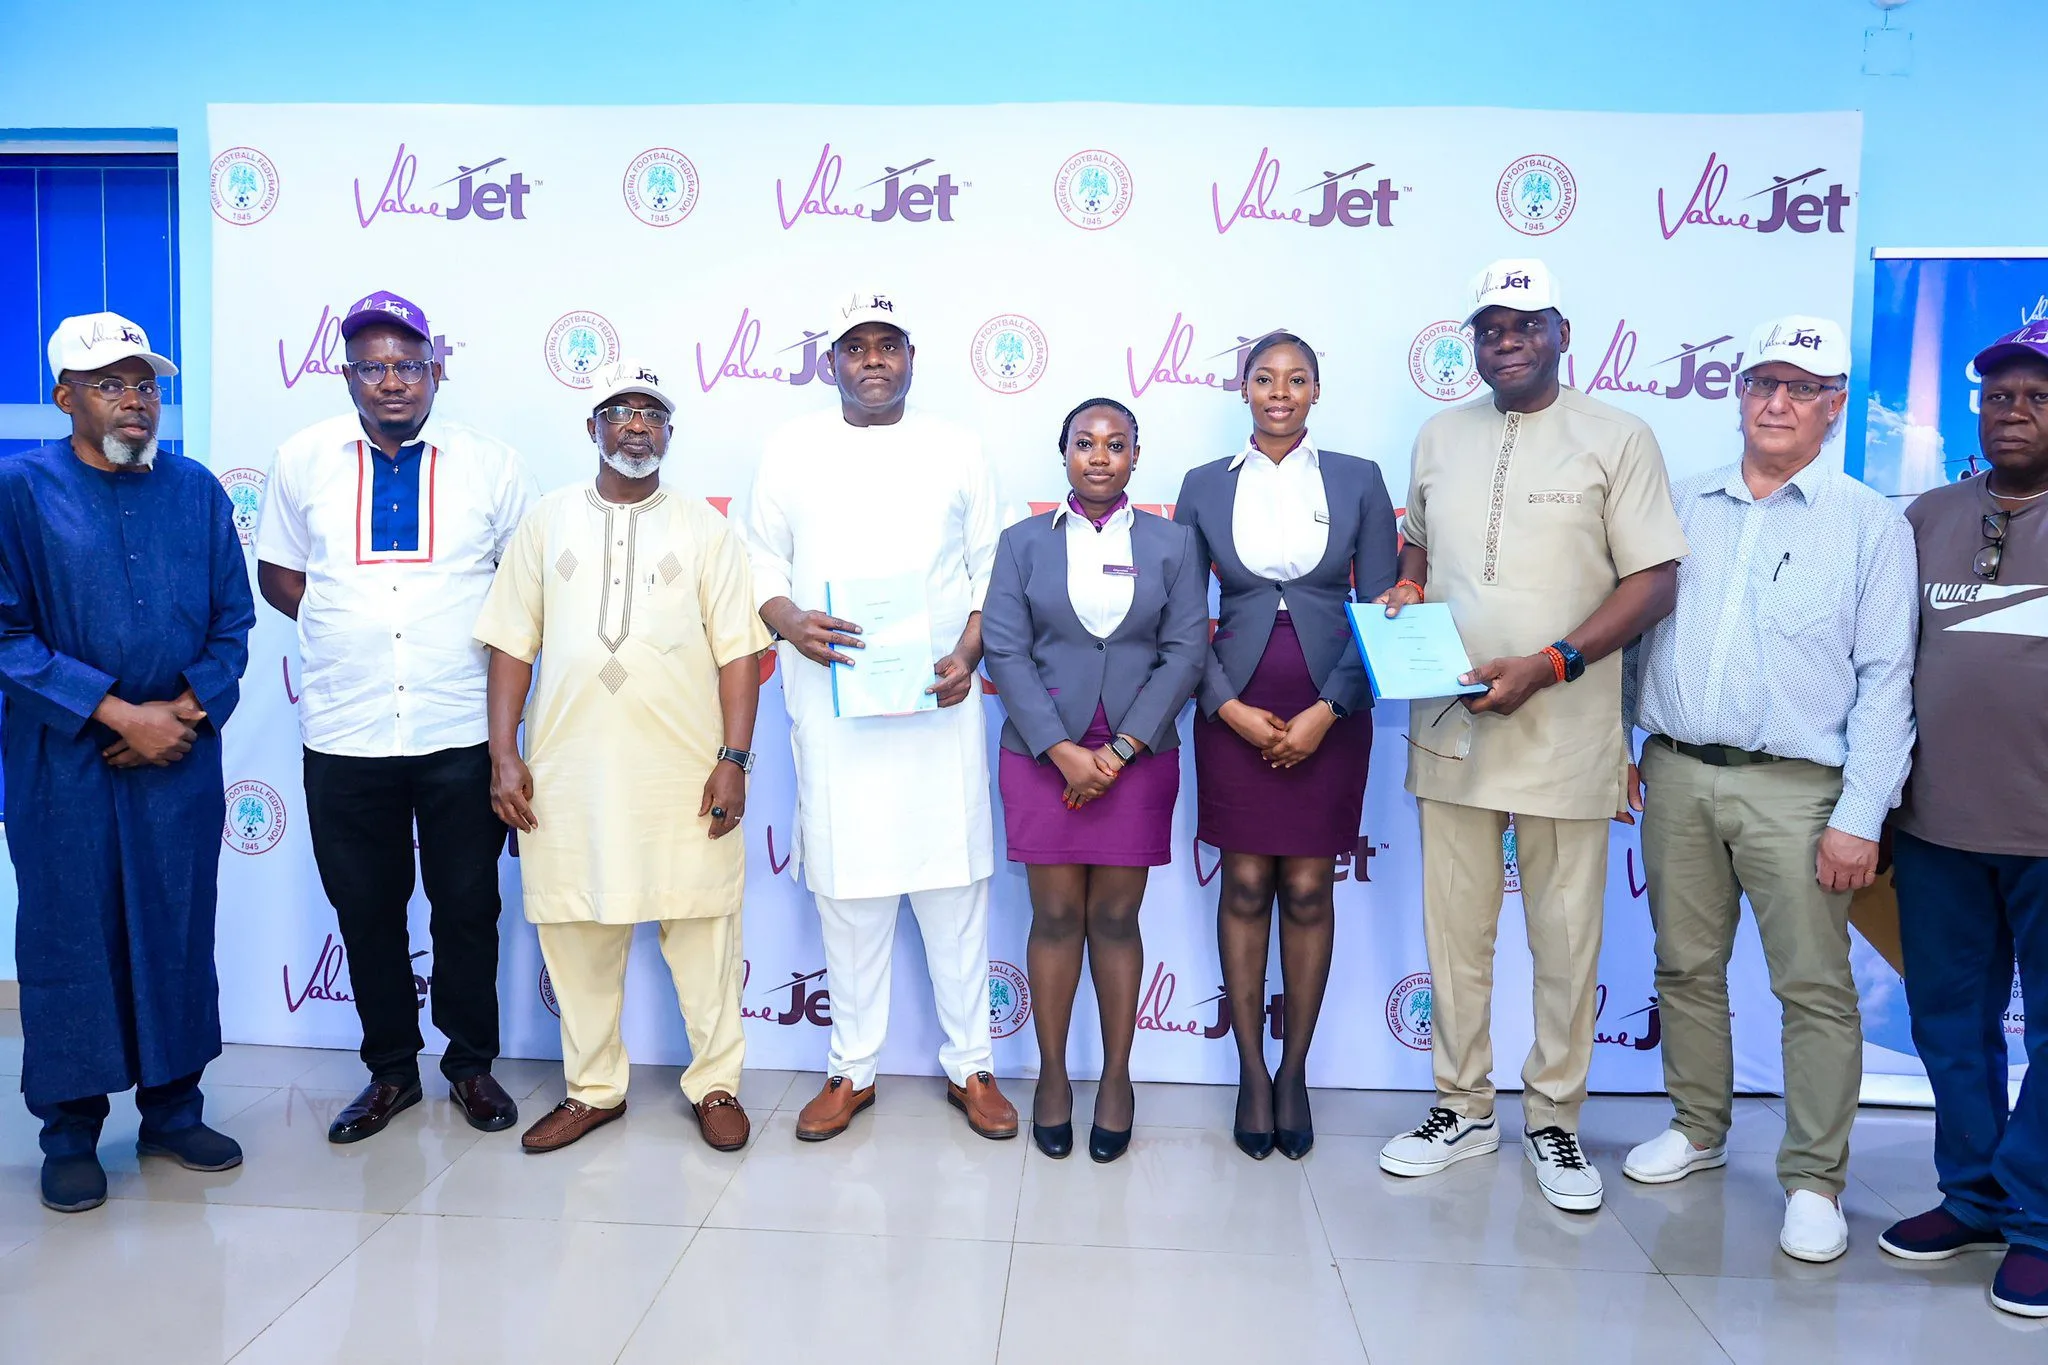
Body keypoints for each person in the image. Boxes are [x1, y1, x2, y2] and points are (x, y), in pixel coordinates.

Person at [1375, 260, 1687, 1211]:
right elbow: (1420, 540)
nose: (1505, 342)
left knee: (1566, 938)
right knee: (1455, 935)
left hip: (1566, 726)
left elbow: (1654, 581)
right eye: (1489, 328)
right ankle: (1462, 1108)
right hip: (1452, 725)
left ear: (1561, 332)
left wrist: (1551, 663)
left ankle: (1554, 1120)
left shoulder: (1619, 436)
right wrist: (1409, 583)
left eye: (1524, 325)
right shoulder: (1439, 433)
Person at [1621, 317, 1917, 1262]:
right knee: (1684, 966)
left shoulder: (1870, 524)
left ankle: (1815, 1180)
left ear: (1836, 405)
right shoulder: (1682, 502)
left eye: (1802, 387)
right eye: (1762, 383)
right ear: (1739, 393)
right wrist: (1624, 741)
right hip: (1675, 769)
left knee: (1813, 988)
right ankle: (1698, 1126)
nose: (1778, 403)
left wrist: (1860, 813)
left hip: (1799, 789)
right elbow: (1635, 629)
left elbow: (1887, 680)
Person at [254, 290, 536, 1144]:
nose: (391, 381)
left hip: (459, 728)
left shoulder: (491, 465)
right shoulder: (303, 458)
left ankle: (470, 1064)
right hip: (346, 730)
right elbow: (280, 575)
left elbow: (522, 594)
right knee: (367, 909)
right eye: (372, 366)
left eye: (408, 365)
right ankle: (389, 1072)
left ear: (435, 371)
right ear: (347, 375)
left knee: (467, 906)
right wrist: (357, 631)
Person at [739, 290, 1018, 1142]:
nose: (872, 360)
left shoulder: (957, 446)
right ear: (830, 363)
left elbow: (992, 568)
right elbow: (759, 561)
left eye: (887, 345)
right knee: (848, 891)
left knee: (953, 888)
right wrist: (789, 621)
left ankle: (972, 1064)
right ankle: (850, 1068)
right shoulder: (789, 448)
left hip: (938, 700)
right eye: (855, 346)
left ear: (909, 359)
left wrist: (968, 653)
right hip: (836, 709)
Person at [475, 361, 769, 1154]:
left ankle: (716, 1083)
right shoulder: (545, 523)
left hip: (684, 770)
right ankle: (592, 1088)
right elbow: (511, 644)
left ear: (669, 432)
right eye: (619, 411)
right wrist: (503, 753)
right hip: (568, 770)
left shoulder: (706, 529)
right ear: (592, 428)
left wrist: (734, 757)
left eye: (651, 413)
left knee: (704, 927)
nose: (637, 425)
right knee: (576, 928)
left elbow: (740, 653)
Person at [0, 313, 254, 1212]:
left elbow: (233, 624)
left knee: (175, 925)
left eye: (145, 384)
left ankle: (173, 1110)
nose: (134, 400)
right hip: (64, 762)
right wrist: (114, 712)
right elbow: (6, 634)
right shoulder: (19, 491)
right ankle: (70, 1130)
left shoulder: (196, 491)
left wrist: (178, 714)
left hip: (177, 760)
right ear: (64, 397)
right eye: (109, 384)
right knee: (71, 931)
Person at [1172, 333, 1399, 1161]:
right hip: (1232, 705)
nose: (1280, 392)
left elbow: (1381, 608)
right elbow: (1179, 615)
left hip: (1328, 706)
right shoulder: (1203, 484)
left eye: (1296, 378)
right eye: (1265, 378)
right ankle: (1250, 1073)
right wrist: (1225, 707)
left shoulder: (1358, 478)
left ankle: (1293, 1071)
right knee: (1242, 882)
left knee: (1307, 887)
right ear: (1244, 389)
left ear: (1316, 390)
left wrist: (1328, 710)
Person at [981, 397, 1206, 1163]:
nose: (1100, 456)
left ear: (1136, 455)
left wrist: (1119, 751)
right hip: (1042, 754)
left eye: (1116, 444)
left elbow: (1185, 652)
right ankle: (1051, 1076)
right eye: (1085, 443)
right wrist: (1063, 751)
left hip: (1137, 757)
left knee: (1114, 918)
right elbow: (1005, 651)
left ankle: (1115, 1077)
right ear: (1064, 453)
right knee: (1053, 917)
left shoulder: (1175, 543)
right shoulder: (1021, 544)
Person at [1879, 319, 2048, 1317]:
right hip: (1936, 825)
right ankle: (1974, 1196)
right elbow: (1885, 662)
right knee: (1949, 1023)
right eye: (1997, 396)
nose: (2013, 412)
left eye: (2036, 397)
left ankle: (2038, 1220)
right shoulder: (1929, 515)